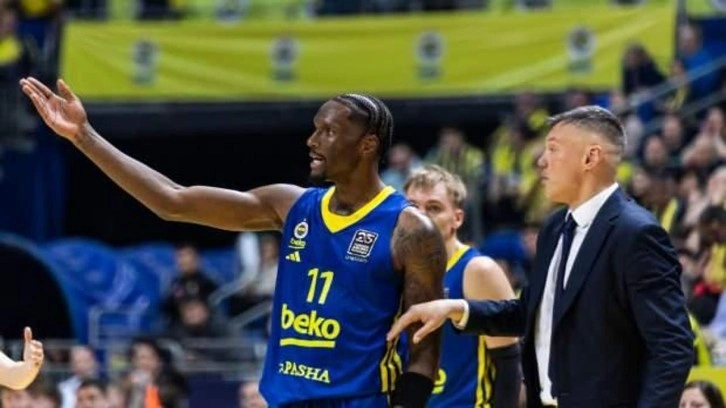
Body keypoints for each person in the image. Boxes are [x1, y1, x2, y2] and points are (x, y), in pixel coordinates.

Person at [19, 77, 445, 407]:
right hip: (286, 400)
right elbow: (172, 201)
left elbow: (424, 357)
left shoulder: (411, 231)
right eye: (315, 129)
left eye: (329, 132)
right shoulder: (289, 205)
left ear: (368, 145)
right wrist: (84, 136)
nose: (312, 141)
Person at [388, 106, 694, 407]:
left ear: (590, 158)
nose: (541, 161)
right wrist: (456, 308)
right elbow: (529, 313)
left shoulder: (636, 233)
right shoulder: (554, 227)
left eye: (553, 149)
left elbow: (673, 346)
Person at [403, 164, 521, 407]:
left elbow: (509, 365)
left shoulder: (478, 270)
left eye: (433, 208)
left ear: (457, 218)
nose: (420, 216)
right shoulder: (396, 271)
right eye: (413, 206)